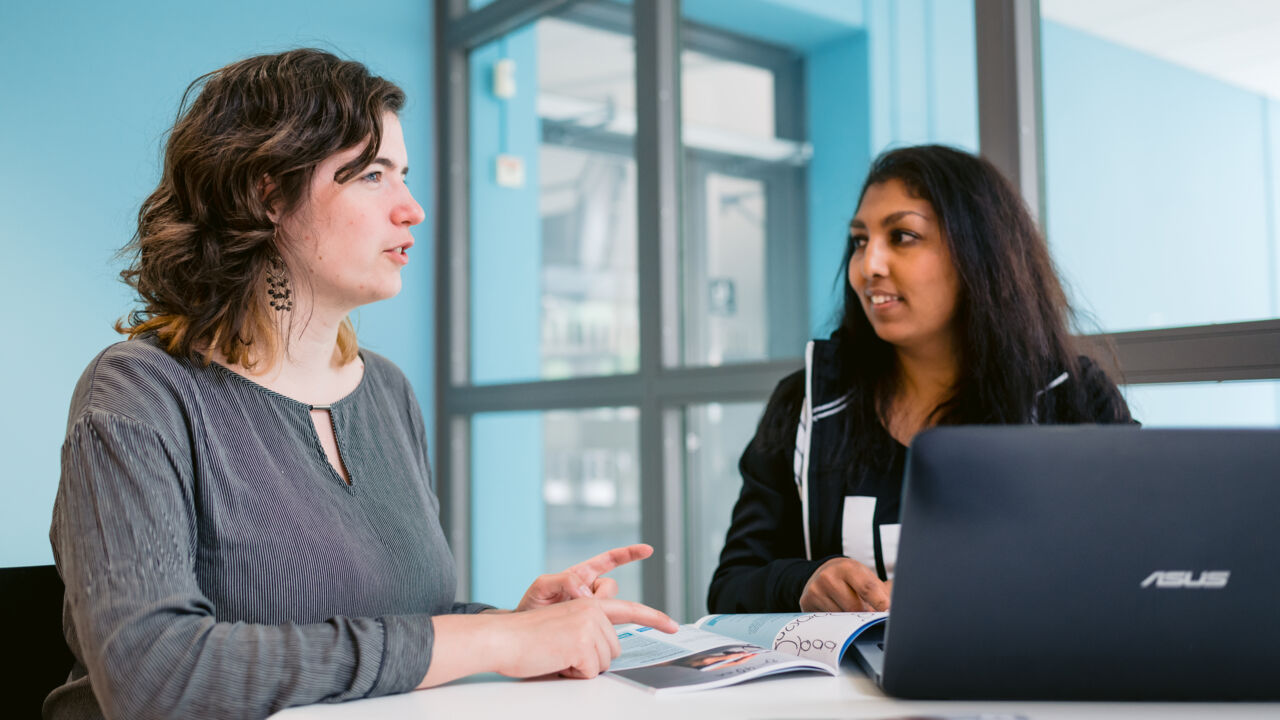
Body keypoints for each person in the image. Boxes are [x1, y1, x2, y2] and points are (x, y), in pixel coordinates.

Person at [46, 49, 675, 720]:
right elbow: (154, 678)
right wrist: (487, 637)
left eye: (404, 175)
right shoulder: (140, 392)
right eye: (374, 175)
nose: (412, 209)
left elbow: (397, 623)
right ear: (266, 193)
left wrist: (512, 626)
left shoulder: (387, 393)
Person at [707, 145, 1134, 615]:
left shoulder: (1070, 397)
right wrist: (802, 581)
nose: (869, 266)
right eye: (859, 241)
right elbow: (730, 588)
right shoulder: (806, 401)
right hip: (840, 690)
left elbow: (1137, 567)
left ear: (980, 253)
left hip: (1019, 685)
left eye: (903, 236)